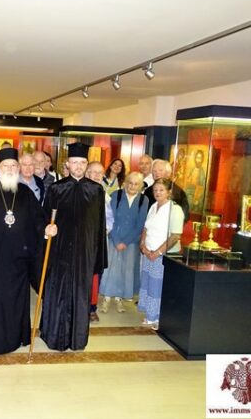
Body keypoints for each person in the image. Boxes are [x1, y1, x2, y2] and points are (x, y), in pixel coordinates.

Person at [0, 148, 52, 355]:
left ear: (18, 168)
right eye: (6, 165)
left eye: (14, 166)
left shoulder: (25, 193)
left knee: (14, 300)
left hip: (17, 261)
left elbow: (38, 220)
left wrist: (46, 229)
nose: (10, 169)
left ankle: (15, 337)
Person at [40, 143, 107, 351]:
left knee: (80, 293)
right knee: (57, 292)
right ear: (67, 164)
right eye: (74, 162)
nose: (78, 166)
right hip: (60, 251)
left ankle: (77, 339)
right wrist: (46, 230)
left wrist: (98, 256)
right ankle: (55, 337)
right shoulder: (56, 188)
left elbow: (100, 225)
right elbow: (45, 218)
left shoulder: (96, 190)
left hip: (84, 252)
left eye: (82, 163)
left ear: (86, 165)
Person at [138, 178, 184, 330]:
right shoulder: (153, 206)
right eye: (155, 190)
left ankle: (157, 317)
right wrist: (143, 245)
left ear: (169, 192)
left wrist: (158, 252)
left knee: (158, 287)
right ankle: (150, 314)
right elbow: (146, 228)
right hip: (148, 252)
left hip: (162, 255)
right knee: (148, 284)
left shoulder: (175, 210)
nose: (157, 193)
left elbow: (175, 236)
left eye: (161, 190)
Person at [99, 172, 148, 313]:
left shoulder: (143, 200)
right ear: (125, 183)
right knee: (111, 269)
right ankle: (106, 299)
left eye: (136, 184)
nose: (132, 186)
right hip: (114, 238)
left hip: (131, 242)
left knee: (126, 270)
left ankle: (119, 299)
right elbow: (110, 218)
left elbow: (140, 224)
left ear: (140, 186)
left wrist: (125, 242)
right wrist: (116, 240)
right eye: (130, 183)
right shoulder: (117, 195)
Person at [85, 161, 114, 322]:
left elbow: (110, 218)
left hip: (97, 242)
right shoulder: (79, 190)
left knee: (96, 276)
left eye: (99, 173)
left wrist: (104, 231)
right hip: (81, 242)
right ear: (87, 172)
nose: (96, 175)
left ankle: (91, 308)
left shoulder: (104, 195)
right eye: (93, 172)